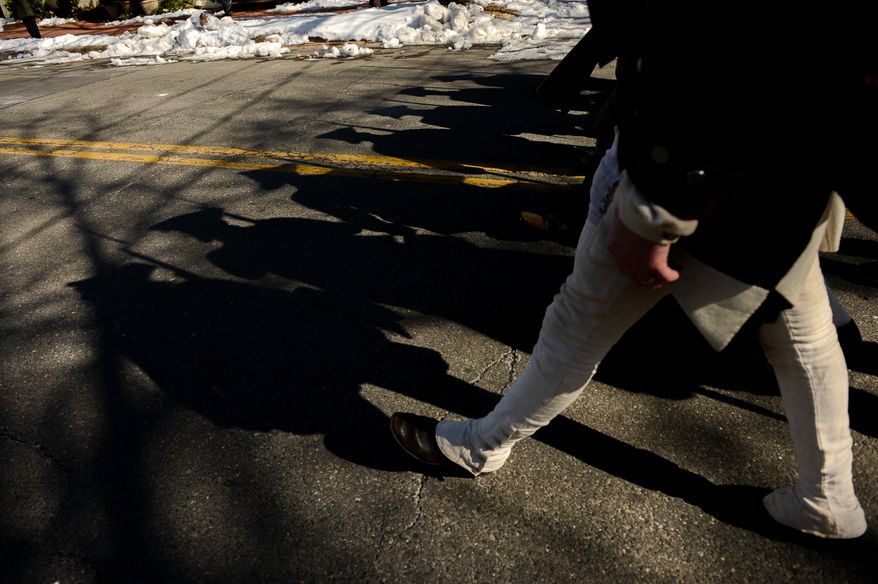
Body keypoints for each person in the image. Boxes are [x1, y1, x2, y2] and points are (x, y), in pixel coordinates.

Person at [390, 1, 874, 539]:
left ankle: (480, 446)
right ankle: (828, 497)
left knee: (579, 320)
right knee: (800, 334)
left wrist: (655, 213)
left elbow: (730, 49)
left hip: (698, 166)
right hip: (777, 169)